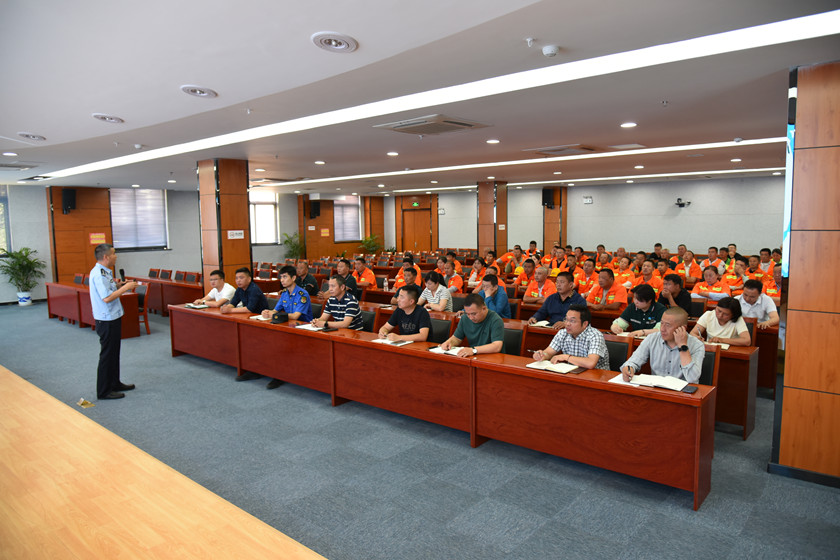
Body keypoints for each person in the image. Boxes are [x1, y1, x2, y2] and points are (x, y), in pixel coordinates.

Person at [89, 243, 138, 400]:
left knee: (114, 353)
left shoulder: (105, 271)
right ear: (106, 257)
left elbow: (109, 290)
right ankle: (103, 391)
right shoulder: (98, 274)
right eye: (114, 254)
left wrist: (118, 285)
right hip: (106, 319)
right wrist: (126, 288)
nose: (116, 256)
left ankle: (114, 383)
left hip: (113, 316)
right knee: (107, 355)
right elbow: (107, 298)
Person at [255, 265, 314, 388]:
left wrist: (275, 314)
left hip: (303, 330)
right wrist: (267, 312)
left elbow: (296, 316)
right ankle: (261, 370)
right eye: (281, 277)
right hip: (288, 327)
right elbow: (275, 311)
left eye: (285, 277)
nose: (282, 280)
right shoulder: (284, 294)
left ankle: (279, 376)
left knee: (278, 344)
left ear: (293, 278)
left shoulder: (302, 294)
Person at [620, 307, 705, 383]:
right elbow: (633, 361)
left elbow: (692, 378)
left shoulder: (697, 345)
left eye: (668, 325)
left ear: (683, 328)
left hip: (683, 392)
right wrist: (628, 368)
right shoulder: (652, 338)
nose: (662, 329)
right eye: (662, 323)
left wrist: (682, 346)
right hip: (656, 389)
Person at [532, 305, 610, 370]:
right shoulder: (563, 333)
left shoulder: (595, 336)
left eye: (572, 321)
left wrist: (566, 357)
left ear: (585, 324)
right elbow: (548, 352)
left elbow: (591, 363)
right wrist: (541, 355)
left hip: (597, 376)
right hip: (573, 372)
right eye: (566, 319)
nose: (567, 324)